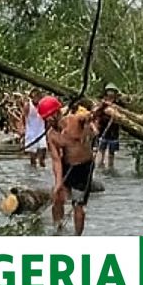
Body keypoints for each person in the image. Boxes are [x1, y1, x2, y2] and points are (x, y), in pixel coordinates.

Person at [40, 96, 98, 236]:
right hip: (66, 165)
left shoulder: (74, 120)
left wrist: (99, 109)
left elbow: (88, 117)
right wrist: (58, 183)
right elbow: (56, 160)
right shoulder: (52, 135)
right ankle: (57, 230)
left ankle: (77, 236)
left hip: (84, 167)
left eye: (49, 116)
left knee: (78, 205)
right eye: (45, 118)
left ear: (57, 112)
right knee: (58, 198)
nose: (48, 120)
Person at [94, 83, 122, 170]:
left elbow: (121, 116)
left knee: (111, 152)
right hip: (103, 129)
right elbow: (95, 112)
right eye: (109, 91)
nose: (110, 93)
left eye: (112, 91)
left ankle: (111, 167)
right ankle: (100, 165)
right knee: (101, 150)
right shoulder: (102, 103)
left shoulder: (119, 104)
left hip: (114, 130)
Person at [22, 89, 48, 168]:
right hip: (31, 131)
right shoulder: (28, 105)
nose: (37, 98)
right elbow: (23, 117)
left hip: (41, 130)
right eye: (35, 96)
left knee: (43, 148)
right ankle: (33, 171)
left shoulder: (43, 105)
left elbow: (46, 116)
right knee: (33, 156)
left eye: (38, 96)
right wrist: (24, 128)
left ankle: (42, 165)